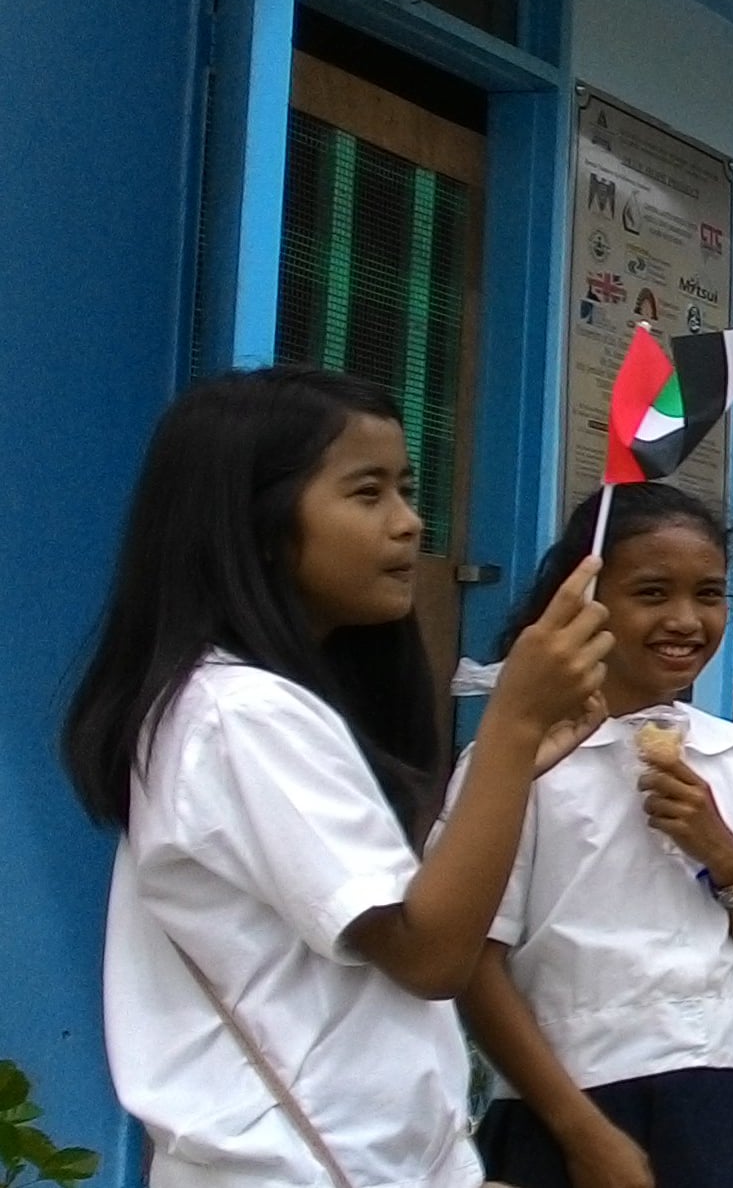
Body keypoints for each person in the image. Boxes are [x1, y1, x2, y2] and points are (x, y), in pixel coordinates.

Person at [63, 367, 613, 1188]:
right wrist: (511, 728)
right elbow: (429, 955)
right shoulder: (241, 714)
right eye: (368, 493)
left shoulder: (252, 707)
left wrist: (511, 765)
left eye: (407, 489)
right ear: (258, 526)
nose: (409, 524)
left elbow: (399, 933)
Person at [461, 483, 733, 1188]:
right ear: (587, 600)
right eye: (652, 593)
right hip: (565, 1100)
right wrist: (581, 1132)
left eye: (709, 594)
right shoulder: (518, 762)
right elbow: (473, 963)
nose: (686, 620)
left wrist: (724, 855)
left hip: (716, 1096)